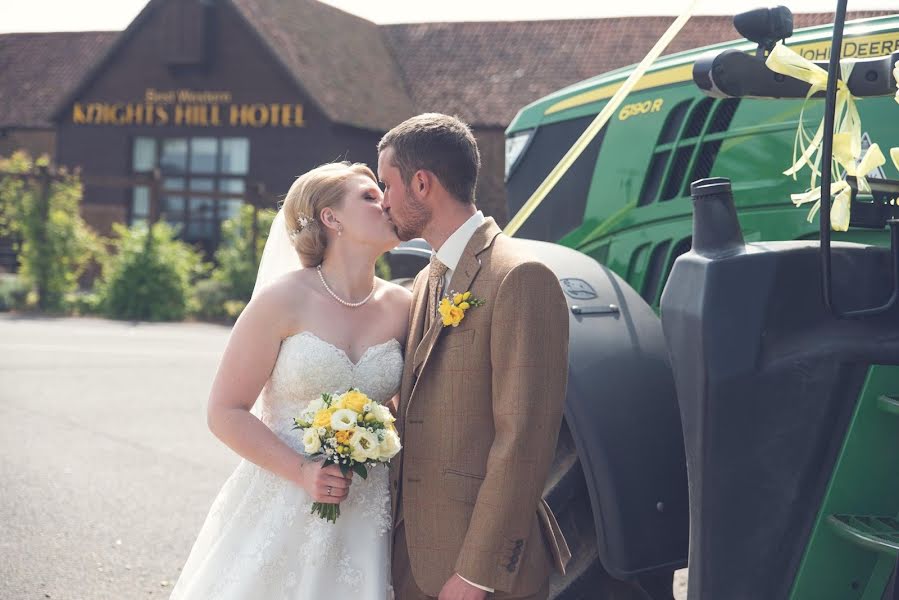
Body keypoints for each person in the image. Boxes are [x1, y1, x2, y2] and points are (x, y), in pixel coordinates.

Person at [169, 162, 410, 599]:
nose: (387, 203)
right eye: (369, 197)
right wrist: (302, 471)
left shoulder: (404, 306)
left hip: (367, 509)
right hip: (282, 498)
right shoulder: (282, 300)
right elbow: (224, 411)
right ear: (330, 218)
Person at [378, 113, 571, 600]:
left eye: (386, 185)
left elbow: (523, 436)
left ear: (421, 184)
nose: (382, 202)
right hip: (413, 558)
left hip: (481, 574)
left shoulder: (520, 276)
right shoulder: (425, 280)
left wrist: (477, 574)